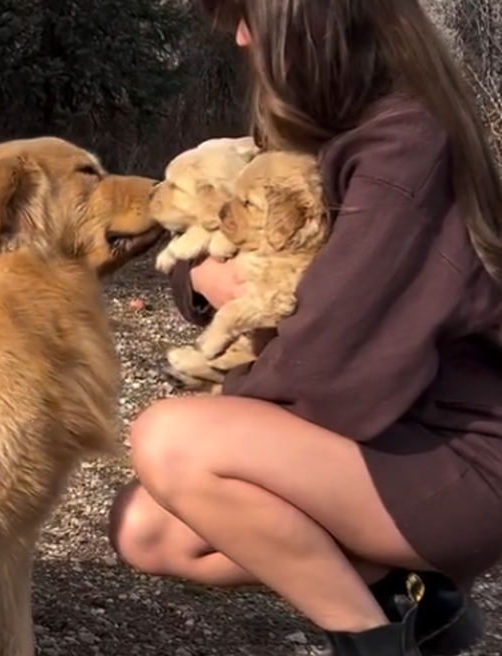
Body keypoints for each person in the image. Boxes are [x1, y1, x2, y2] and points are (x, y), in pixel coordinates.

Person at [107, 1, 502, 655]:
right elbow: (221, 239)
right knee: (147, 528)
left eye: (246, 16)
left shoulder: (406, 144)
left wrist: (223, 431)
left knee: (172, 444)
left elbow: (333, 370)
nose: (238, 36)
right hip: (385, 436)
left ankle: (371, 641)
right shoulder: (323, 135)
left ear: (311, 23)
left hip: (460, 453)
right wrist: (204, 280)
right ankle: (409, 602)